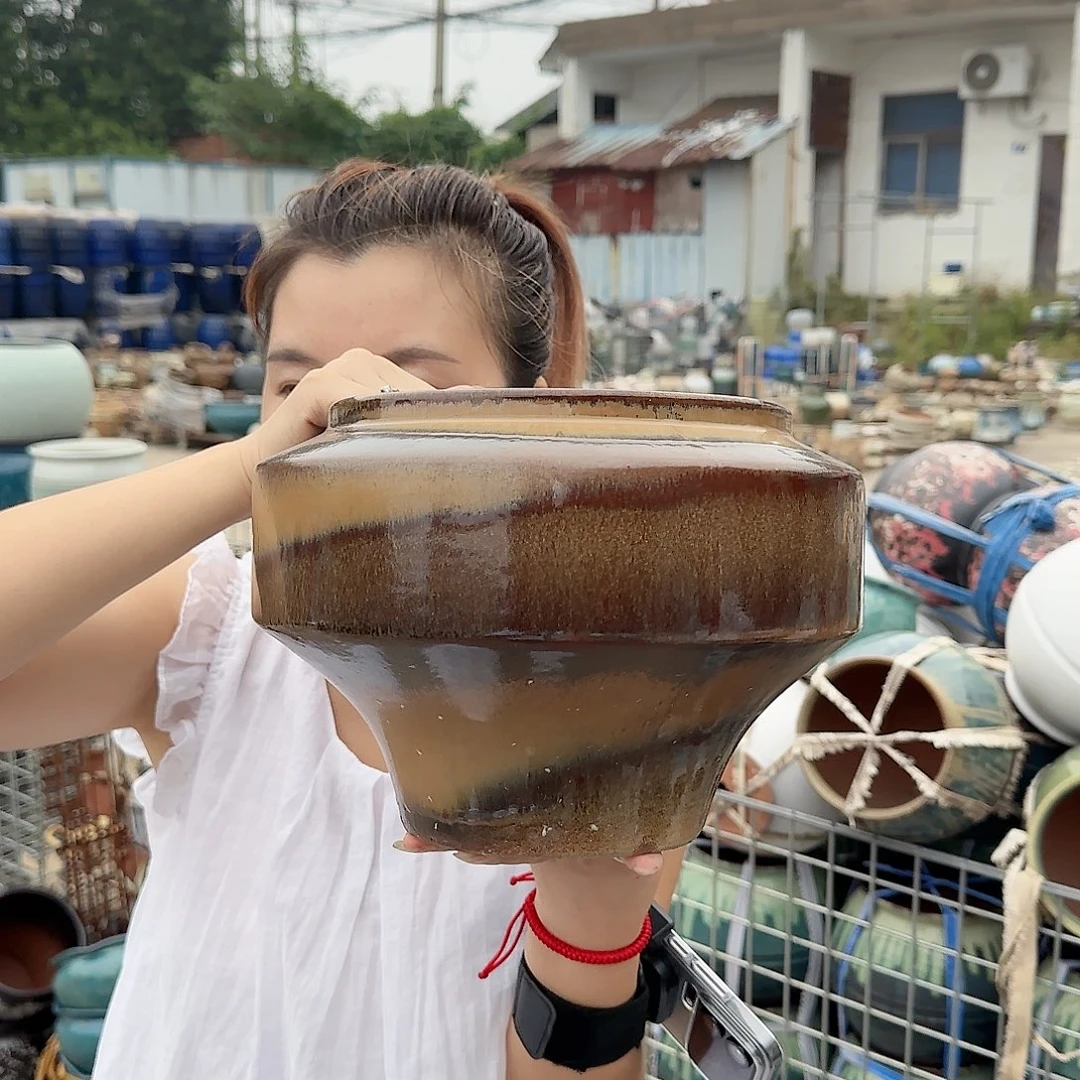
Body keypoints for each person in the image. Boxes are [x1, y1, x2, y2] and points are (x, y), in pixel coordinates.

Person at [0, 159, 684, 1079]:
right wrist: (243, 468)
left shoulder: (606, 705)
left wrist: (592, 923)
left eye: (408, 388)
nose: (339, 421)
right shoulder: (211, 637)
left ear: (533, 405)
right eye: (298, 390)